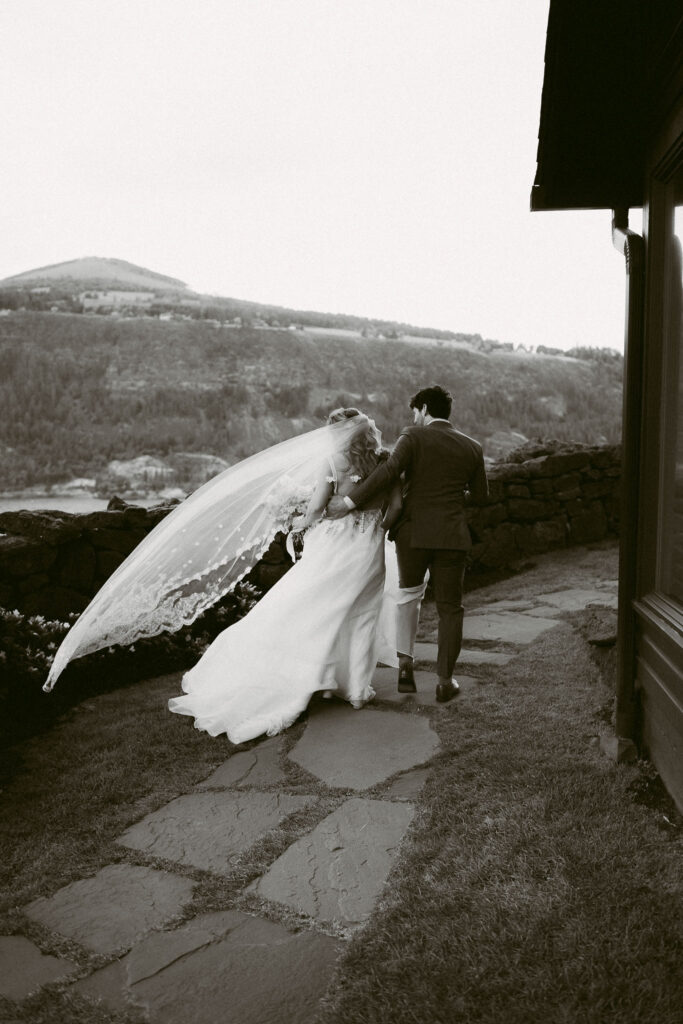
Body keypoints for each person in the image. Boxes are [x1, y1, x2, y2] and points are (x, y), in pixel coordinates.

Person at [167, 409, 402, 744]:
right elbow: (396, 508)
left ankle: (311, 676)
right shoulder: (387, 464)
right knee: (362, 615)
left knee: (310, 609)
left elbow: (318, 507)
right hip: (369, 548)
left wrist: (298, 524)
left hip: (334, 545)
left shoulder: (334, 462)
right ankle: (356, 690)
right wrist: (377, 529)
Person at [327, 385, 488, 703]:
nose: (414, 416)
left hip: (413, 534)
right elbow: (481, 497)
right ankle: (445, 681)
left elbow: (388, 472)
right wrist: (453, 497)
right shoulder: (473, 447)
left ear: (425, 409)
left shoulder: (413, 436)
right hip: (452, 536)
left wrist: (348, 501)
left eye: (416, 410)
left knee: (408, 597)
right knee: (450, 609)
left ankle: (405, 668)